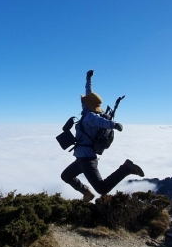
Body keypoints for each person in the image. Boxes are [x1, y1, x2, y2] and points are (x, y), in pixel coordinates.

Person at [60, 69, 145, 202]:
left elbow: (101, 122)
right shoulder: (88, 111)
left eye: (83, 101)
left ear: (87, 104)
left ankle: (126, 168)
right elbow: (89, 93)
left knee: (102, 189)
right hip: (81, 159)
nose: (82, 102)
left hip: (87, 160)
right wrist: (88, 79)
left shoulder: (90, 116)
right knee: (65, 176)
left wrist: (114, 125)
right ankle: (87, 192)